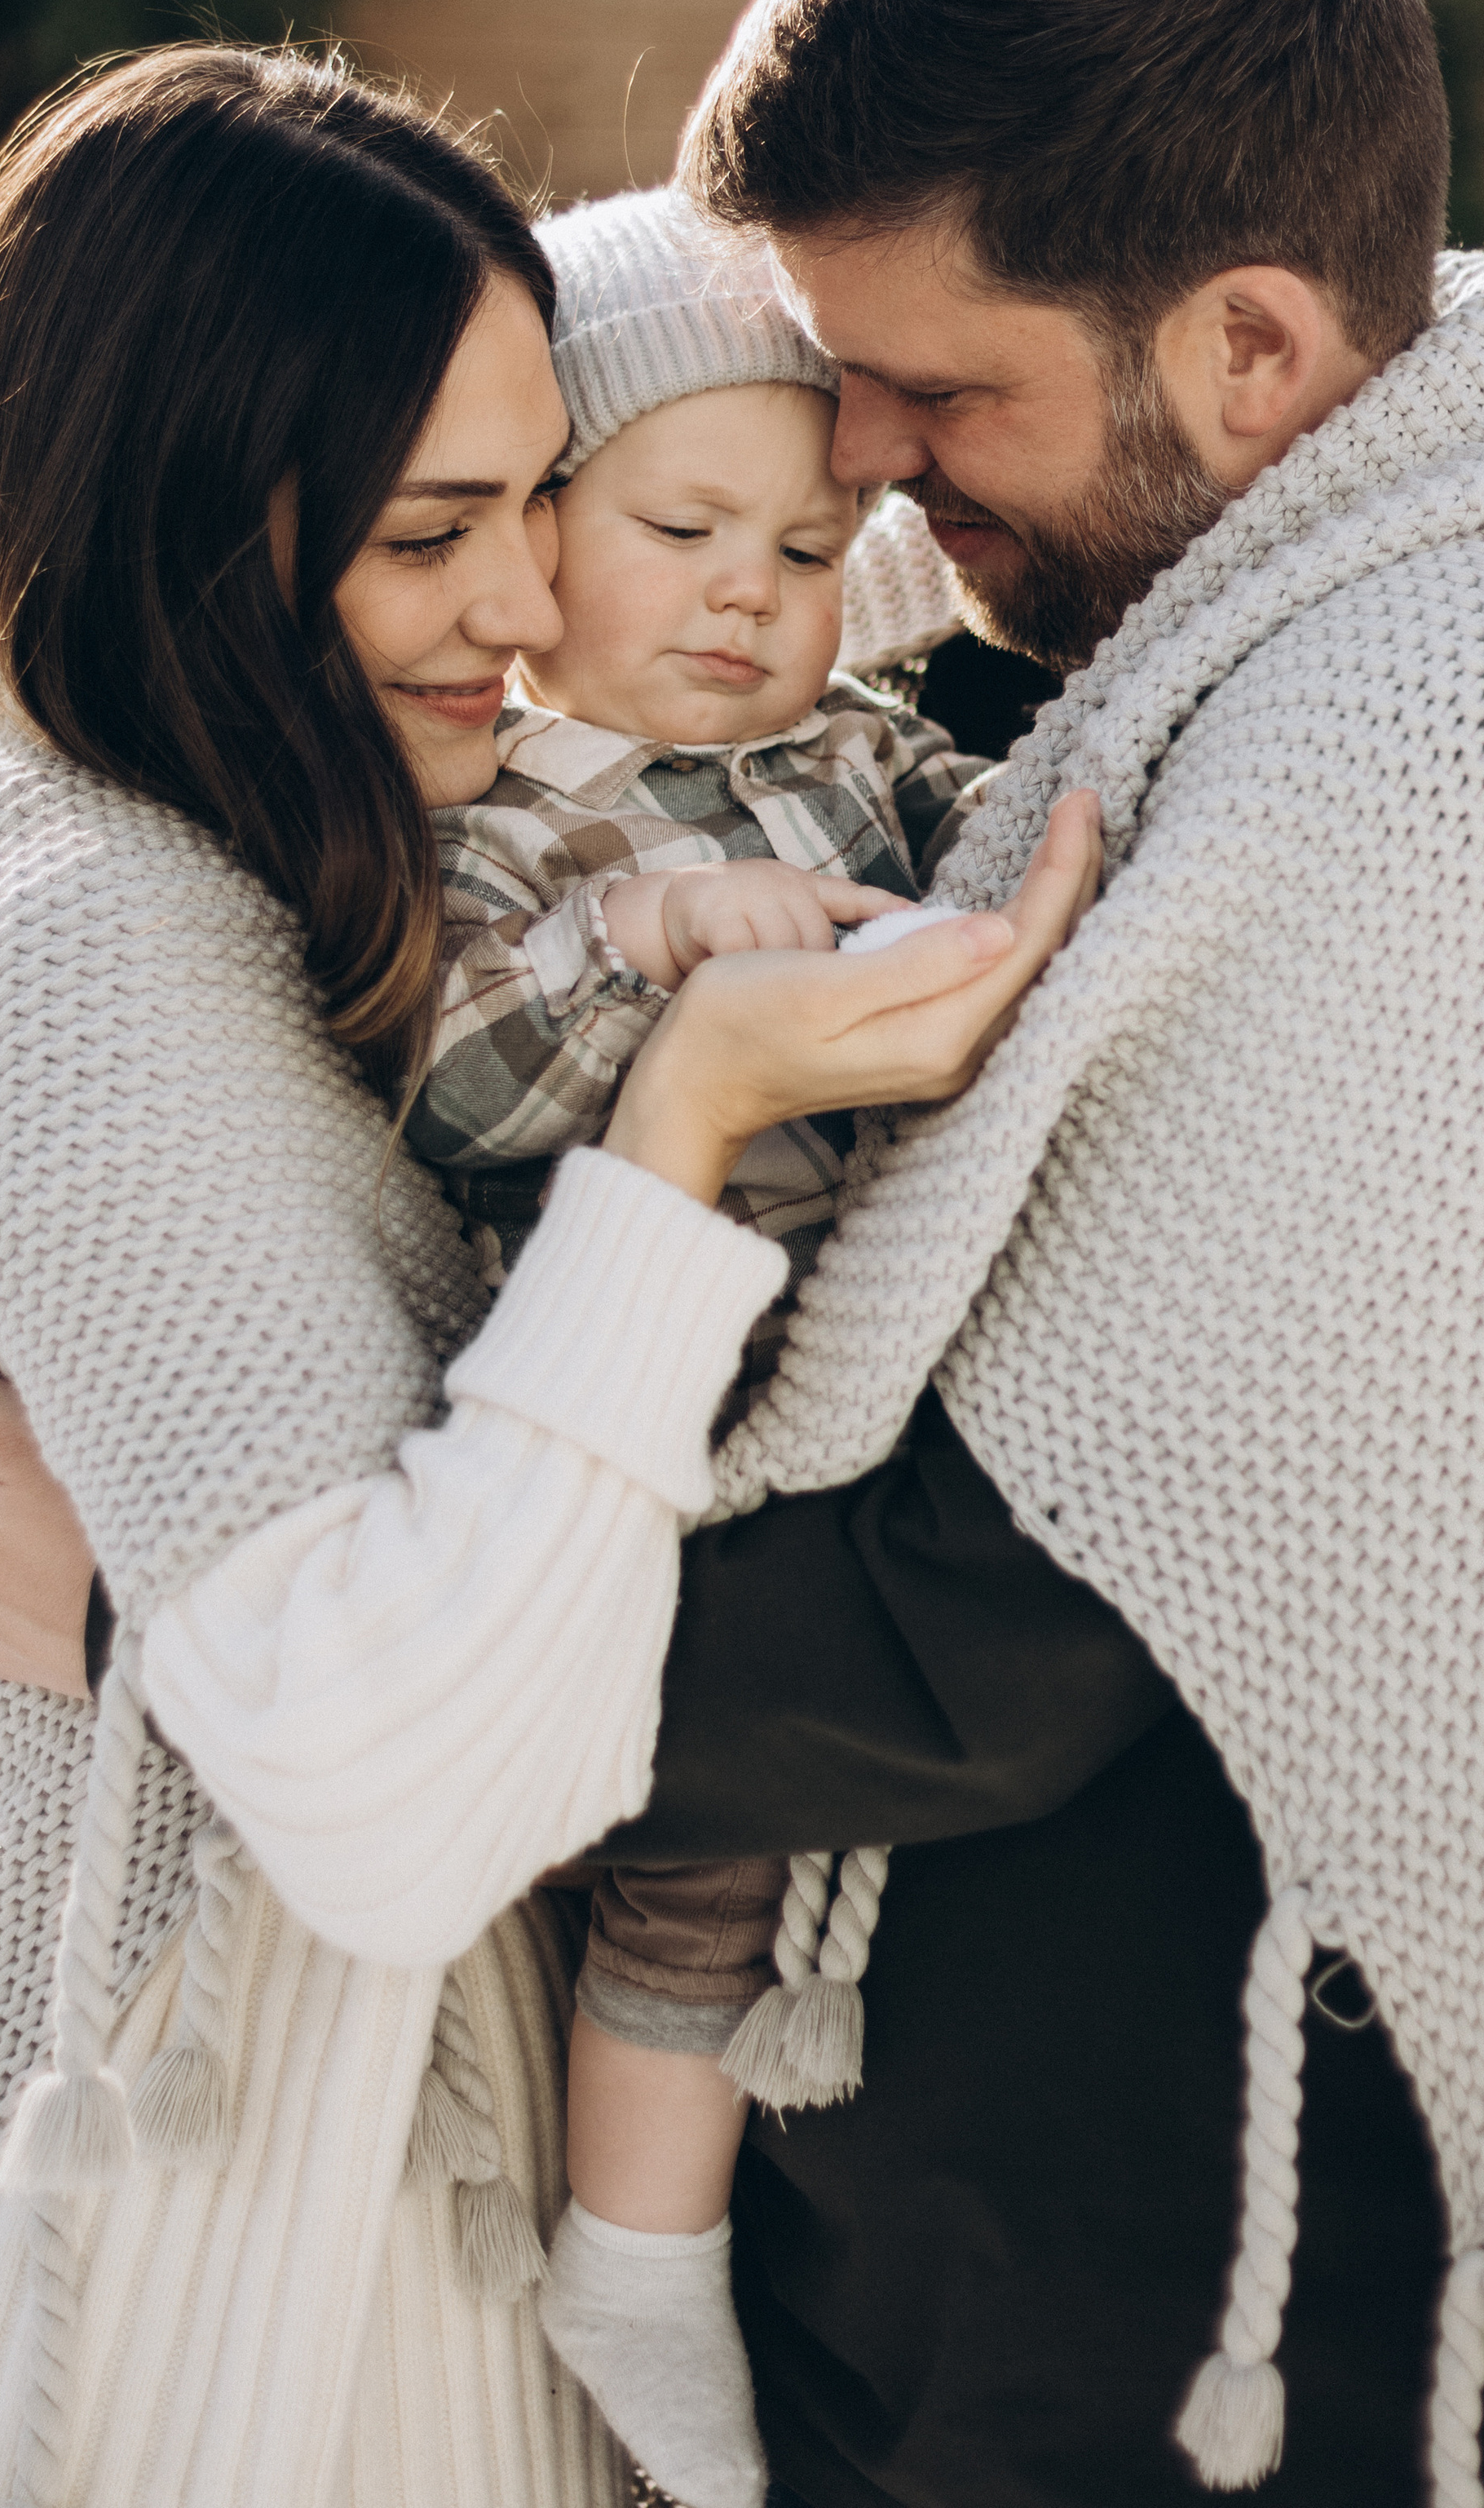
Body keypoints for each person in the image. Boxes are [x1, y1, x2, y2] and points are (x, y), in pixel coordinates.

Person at [0, 0, 1484, 2508]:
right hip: (1013, 2309)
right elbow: (655, 518)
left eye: (928, 392)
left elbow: (964, 1636)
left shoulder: (1449, 752)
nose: (866, 476)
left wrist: (181, 1654)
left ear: (1249, 347)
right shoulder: (1241, 597)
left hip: (1221, 2348)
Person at [0, 40, 1097, 2508]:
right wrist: (692, 1108)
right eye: (434, 529)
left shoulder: (343, 838)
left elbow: (792, 523)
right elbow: (390, 1795)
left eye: (547, 505)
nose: (531, 607)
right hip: (200, 2325)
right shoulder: (96, 954)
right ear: (191, 526)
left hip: (403, 2265)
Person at [405, 184, 992, 2508]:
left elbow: (1031, 854)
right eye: (683, 526)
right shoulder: (505, 826)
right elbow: (455, 1083)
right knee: (696, 1876)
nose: (754, 588)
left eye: (815, 541)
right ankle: (634, 2258)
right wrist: (655, 935)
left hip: (877, 1424)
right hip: (646, 1453)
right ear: (542, 536)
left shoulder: (873, 763)